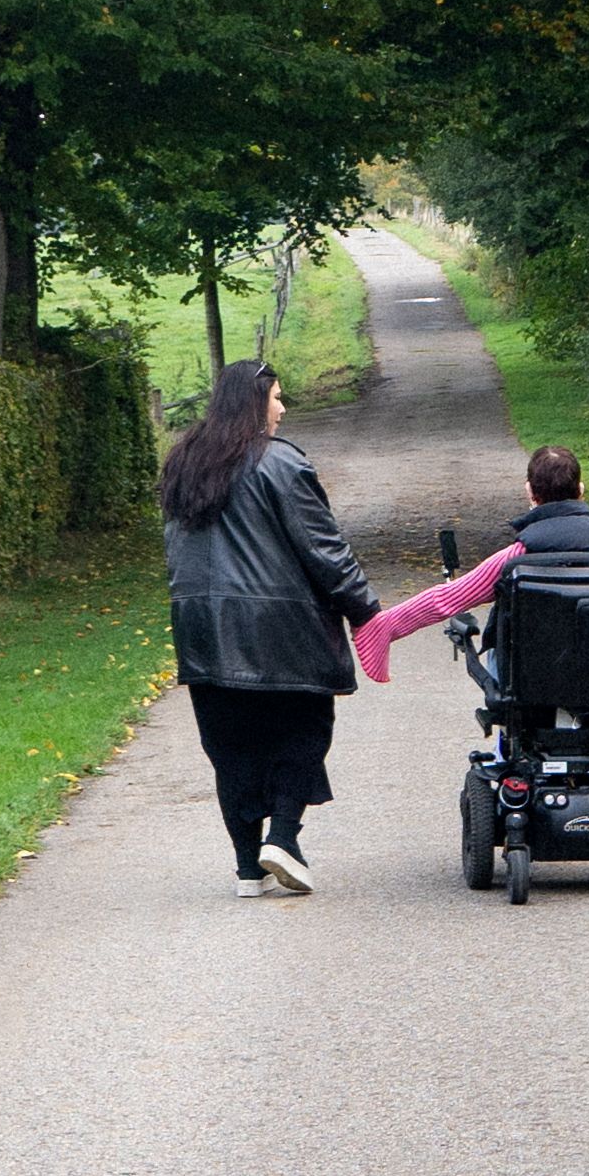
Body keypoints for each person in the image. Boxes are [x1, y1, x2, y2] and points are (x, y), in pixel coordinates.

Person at [160, 357, 378, 895]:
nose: (282, 408)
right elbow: (324, 549)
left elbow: (174, 550)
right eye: (277, 397)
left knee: (230, 746)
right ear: (255, 402)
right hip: (279, 628)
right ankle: (282, 835)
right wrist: (365, 610)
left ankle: (246, 868)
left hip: (201, 628)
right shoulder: (280, 464)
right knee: (304, 729)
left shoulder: (182, 462)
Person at [352, 442, 589, 678]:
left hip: (530, 680)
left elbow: (445, 600)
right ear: (581, 490)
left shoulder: (517, 558)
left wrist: (384, 626)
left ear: (530, 492)